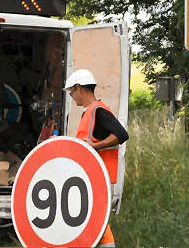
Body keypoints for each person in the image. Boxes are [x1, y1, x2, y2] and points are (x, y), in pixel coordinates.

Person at [64, 69, 129, 248]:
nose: (73, 97)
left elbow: (121, 134)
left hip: (99, 177)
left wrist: (96, 146)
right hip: (92, 176)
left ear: (79, 89)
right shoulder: (90, 112)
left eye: (72, 93)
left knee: (95, 218)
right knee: (94, 218)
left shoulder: (98, 111)